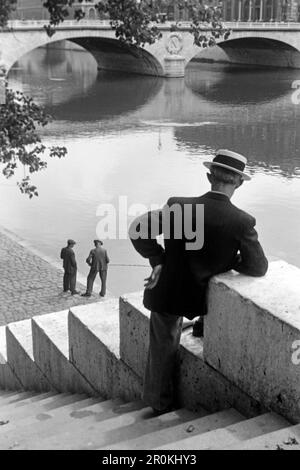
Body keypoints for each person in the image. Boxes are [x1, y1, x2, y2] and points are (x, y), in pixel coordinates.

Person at [129, 149, 268, 415]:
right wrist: (228, 260)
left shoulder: (178, 205)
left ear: (208, 177)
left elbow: (138, 229)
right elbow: (258, 267)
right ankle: (199, 326)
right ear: (238, 183)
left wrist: (157, 259)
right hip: (201, 297)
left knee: (162, 344)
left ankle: (158, 403)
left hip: (168, 290)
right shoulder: (241, 221)